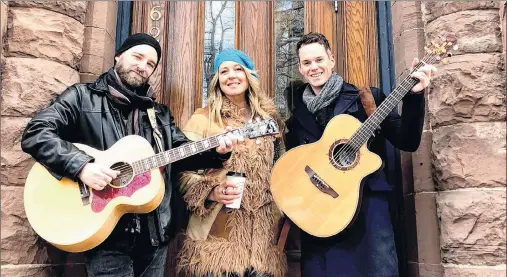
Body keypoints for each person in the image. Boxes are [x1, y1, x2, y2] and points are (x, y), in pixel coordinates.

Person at [21, 33, 242, 277]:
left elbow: (182, 153)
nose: (142, 66)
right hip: (106, 236)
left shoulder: (158, 115)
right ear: (119, 55)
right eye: (138, 57)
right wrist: (82, 166)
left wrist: (218, 151)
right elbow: (37, 132)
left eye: (150, 64)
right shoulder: (82, 97)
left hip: (154, 236)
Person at [284, 32, 436, 277]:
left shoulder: (367, 100)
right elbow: (294, 169)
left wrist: (415, 97)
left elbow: (407, 141)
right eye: (307, 63)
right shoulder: (296, 118)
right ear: (300, 69)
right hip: (320, 216)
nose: (314, 67)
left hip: (368, 214)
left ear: (332, 60)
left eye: (319, 60)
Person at [176, 49, 287, 277]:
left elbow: (285, 170)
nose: (232, 76)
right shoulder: (203, 119)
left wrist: (281, 210)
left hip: (263, 240)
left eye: (238, 69)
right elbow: (179, 172)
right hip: (218, 237)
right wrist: (212, 191)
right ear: (217, 80)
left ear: (249, 76)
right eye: (224, 71)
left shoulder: (270, 122)